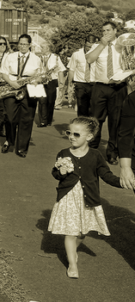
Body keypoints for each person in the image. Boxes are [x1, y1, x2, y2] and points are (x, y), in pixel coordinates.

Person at [48, 117, 122, 279]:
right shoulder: (63, 153)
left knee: (82, 232)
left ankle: (73, 250)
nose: (71, 137)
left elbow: (106, 175)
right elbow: (55, 172)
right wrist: (59, 173)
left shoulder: (95, 155)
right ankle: (72, 263)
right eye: (69, 133)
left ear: (89, 137)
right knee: (70, 232)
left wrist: (121, 182)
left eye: (76, 134)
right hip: (68, 197)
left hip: (87, 198)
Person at [86, 20, 125, 163]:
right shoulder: (97, 46)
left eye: (108, 30)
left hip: (118, 88)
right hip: (100, 88)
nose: (106, 33)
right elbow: (89, 59)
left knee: (116, 122)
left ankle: (112, 153)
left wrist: (125, 78)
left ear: (115, 31)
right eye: (103, 31)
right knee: (95, 120)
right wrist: (102, 44)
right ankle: (92, 151)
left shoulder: (123, 47)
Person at [0, 34, 44, 158]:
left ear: (29, 45)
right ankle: (10, 140)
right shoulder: (10, 57)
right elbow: (3, 73)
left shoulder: (36, 59)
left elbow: (40, 75)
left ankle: (22, 148)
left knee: (27, 119)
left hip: (28, 88)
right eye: (20, 44)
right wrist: (11, 83)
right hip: (11, 86)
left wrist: (36, 80)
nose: (22, 46)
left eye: (25, 44)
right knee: (9, 117)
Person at [37, 48, 67, 128]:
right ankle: (43, 121)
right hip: (41, 80)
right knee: (42, 101)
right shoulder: (38, 57)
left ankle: (49, 120)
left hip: (52, 81)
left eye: (44, 47)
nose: (42, 49)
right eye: (41, 46)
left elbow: (61, 70)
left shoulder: (55, 57)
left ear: (48, 48)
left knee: (50, 101)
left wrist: (61, 82)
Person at [66, 36, 95, 117]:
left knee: (92, 108)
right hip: (80, 84)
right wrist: (70, 85)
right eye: (88, 46)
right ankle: (81, 125)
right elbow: (71, 69)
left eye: (92, 47)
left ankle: (90, 126)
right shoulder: (76, 54)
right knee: (82, 107)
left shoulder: (97, 54)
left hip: (94, 84)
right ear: (84, 44)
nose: (89, 49)